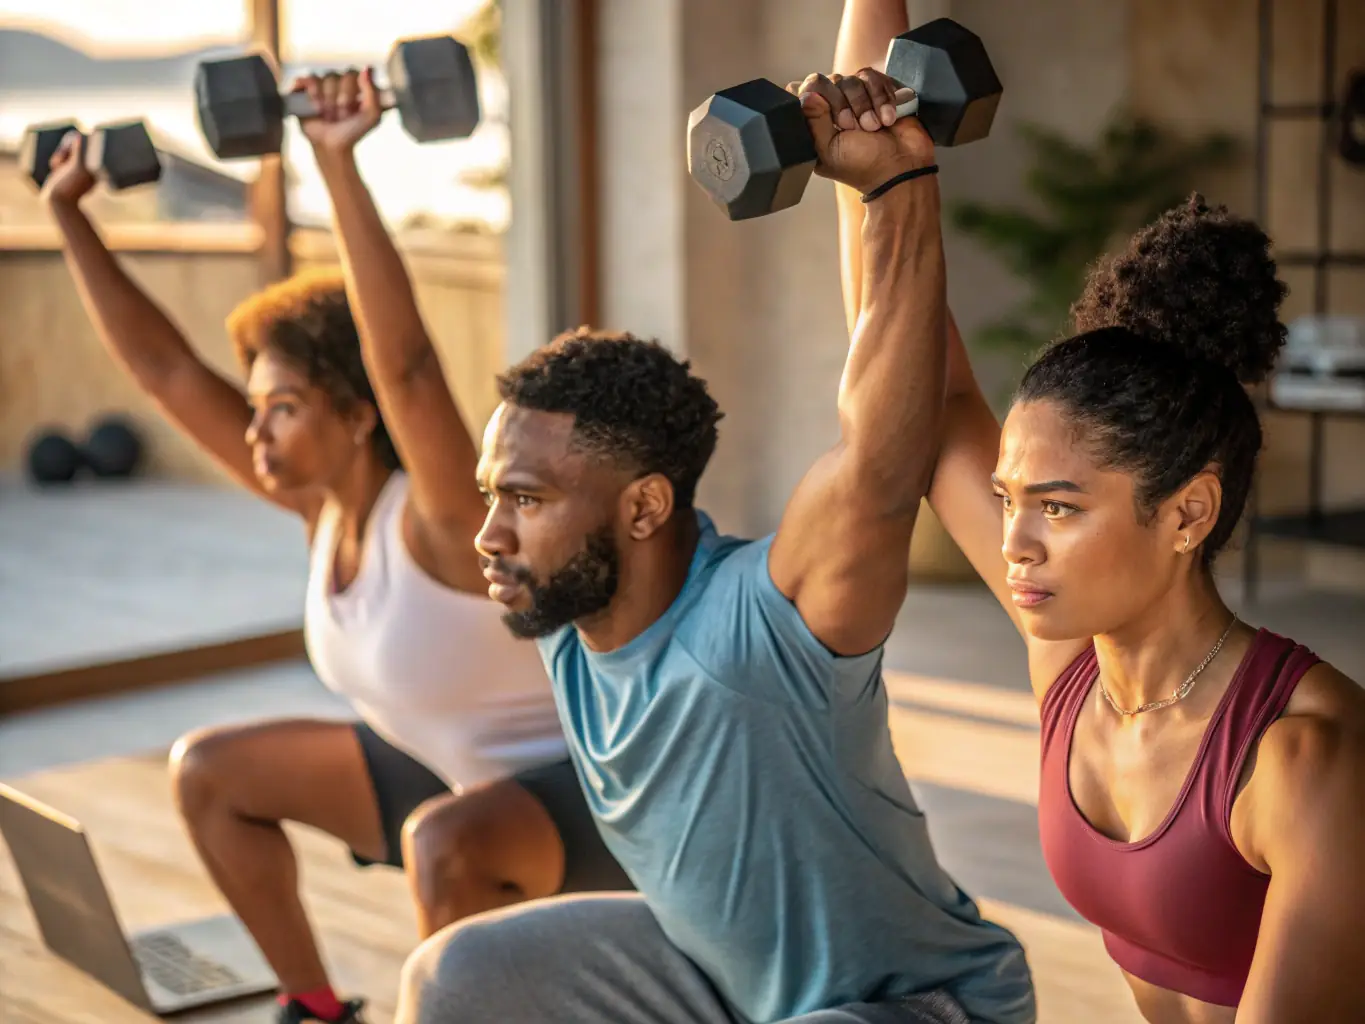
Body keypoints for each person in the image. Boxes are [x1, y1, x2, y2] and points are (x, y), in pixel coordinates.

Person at [392, 65, 1036, 1024]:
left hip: (922, 1005)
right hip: (726, 984)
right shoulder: (568, 614)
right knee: (454, 976)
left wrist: (896, 184)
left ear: (644, 509)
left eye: (525, 499)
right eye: (494, 494)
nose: (490, 532)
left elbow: (879, 461)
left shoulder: (759, 625)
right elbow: (406, 382)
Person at [38, 85, 630, 1024]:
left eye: (283, 408)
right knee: (210, 773)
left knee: (443, 843)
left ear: (357, 417)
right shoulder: (320, 510)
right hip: (450, 778)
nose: (256, 432)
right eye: (256, 408)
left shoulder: (442, 521)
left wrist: (335, 158)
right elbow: (165, 372)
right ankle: (313, 1008)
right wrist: (68, 214)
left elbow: (408, 365)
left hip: (590, 805)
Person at [836, 5, 1365, 1022]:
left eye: (1059, 508)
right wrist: (887, 172)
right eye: (1009, 500)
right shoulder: (1076, 668)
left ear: (1187, 512)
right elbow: (917, 377)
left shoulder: (1304, 761)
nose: (1013, 543)